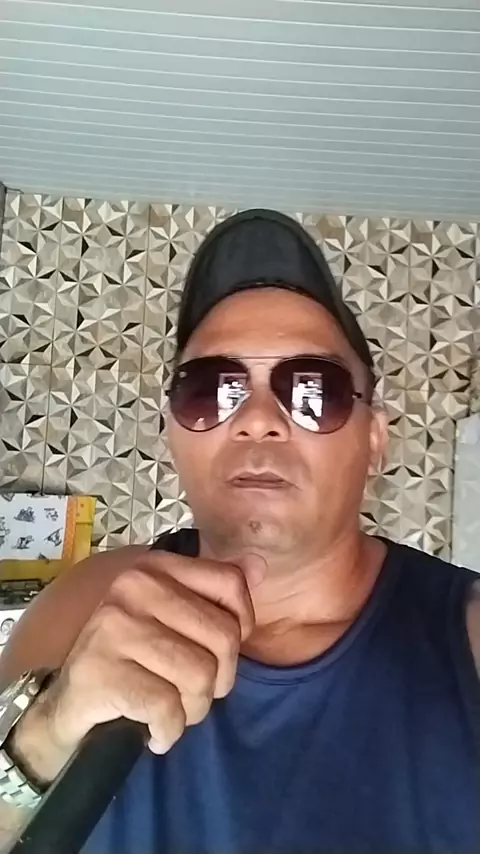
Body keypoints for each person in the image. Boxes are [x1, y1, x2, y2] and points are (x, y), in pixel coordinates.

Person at [0, 209, 479, 853]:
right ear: (172, 434)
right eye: (212, 388)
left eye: (312, 389)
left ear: (373, 441)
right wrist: (43, 736)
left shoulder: (466, 637)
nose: (257, 418)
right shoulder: (92, 599)